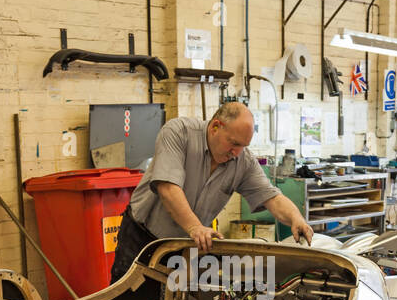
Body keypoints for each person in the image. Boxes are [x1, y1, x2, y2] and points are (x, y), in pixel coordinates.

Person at [109, 102, 314, 281]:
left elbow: (273, 198)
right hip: (142, 238)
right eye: (234, 143)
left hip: (185, 246)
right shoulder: (179, 132)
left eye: (243, 146)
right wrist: (196, 227)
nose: (237, 153)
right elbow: (168, 189)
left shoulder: (243, 161)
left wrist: (296, 218)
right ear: (216, 126)